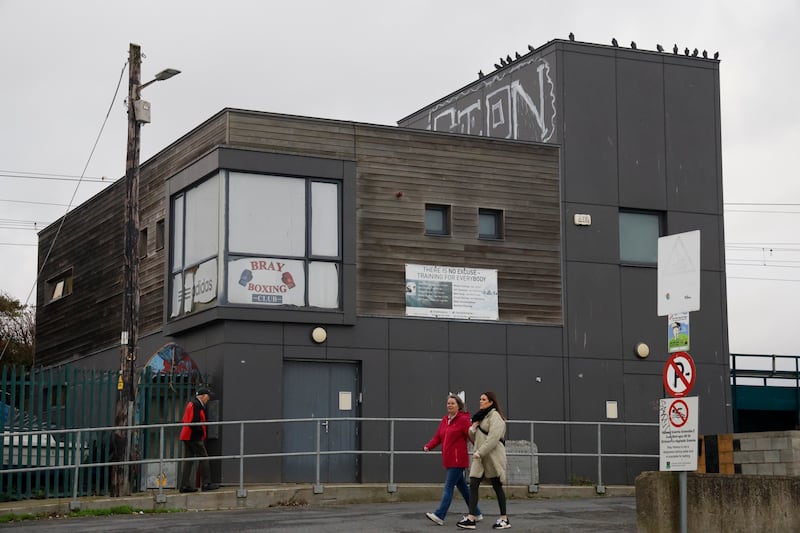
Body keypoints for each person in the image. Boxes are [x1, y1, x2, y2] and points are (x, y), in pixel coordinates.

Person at [423, 392, 483, 526]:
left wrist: (481, 450)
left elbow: (471, 436)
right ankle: (477, 513)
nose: (449, 405)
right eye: (448, 403)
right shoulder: (445, 420)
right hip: (448, 460)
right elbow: (438, 436)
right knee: (463, 489)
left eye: (452, 403)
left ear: (458, 406)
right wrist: (429, 446)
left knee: (448, 487)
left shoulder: (463, 420)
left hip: (458, 460)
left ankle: (440, 515)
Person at [457, 391, 510, 530]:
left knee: (497, 486)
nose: (480, 401)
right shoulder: (481, 417)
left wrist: (480, 452)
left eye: (484, 399)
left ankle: (504, 518)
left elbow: (493, 439)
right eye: (480, 399)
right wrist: (472, 429)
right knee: (473, 484)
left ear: (491, 402)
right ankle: (471, 517)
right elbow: (475, 438)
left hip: (492, 457)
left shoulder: (495, 417)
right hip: (480, 457)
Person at [179, 386, 219, 493]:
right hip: (193, 436)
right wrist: (201, 432)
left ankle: (184, 485)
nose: (209, 399)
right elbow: (194, 422)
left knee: (188, 460)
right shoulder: (196, 405)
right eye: (208, 396)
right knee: (204, 458)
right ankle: (206, 483)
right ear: (203, 396)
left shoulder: (193, 404)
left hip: (187, 435)